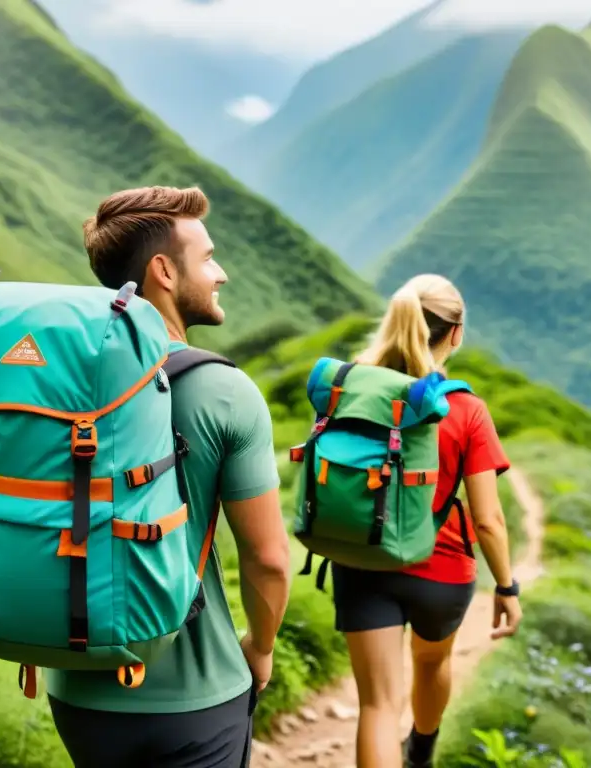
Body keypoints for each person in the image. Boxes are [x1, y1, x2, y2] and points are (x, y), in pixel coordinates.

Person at [43, 185, 292, 767]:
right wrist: (260, 647)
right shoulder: (224, 392)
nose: (221, 273)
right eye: (207, 258)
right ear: (164, 271)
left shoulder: (60, 380)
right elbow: (270, 559)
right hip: (194, 699)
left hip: (77, 689)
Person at [331, 274, 523, 768]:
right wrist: (506, 587)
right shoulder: (466, 409)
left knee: (376, 705)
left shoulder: (350, 390)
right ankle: (421, 750)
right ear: (455, 334)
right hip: (440, 572)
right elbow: (489, 521)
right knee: (431, 662)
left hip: (361, 560)